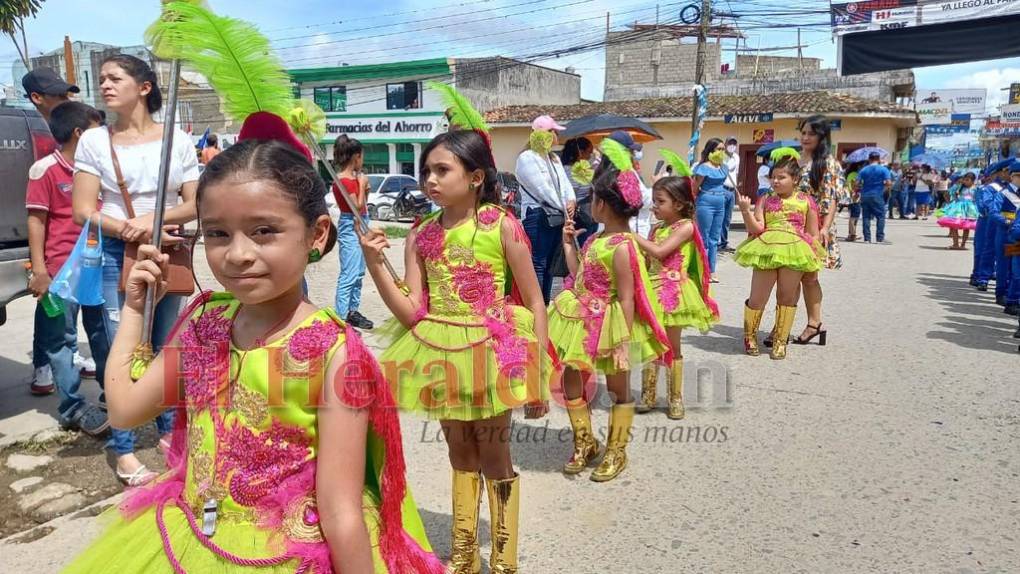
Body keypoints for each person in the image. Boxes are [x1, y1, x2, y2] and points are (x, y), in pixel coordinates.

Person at [63, 136, 444, 574]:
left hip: (285, 554)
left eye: (264, 231)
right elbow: (127, 410)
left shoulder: (335, 354)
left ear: (316, 234)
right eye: (218, 234)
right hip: (187, 535)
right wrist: (133, 309)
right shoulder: (204, 323)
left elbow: (340, 511)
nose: (239, 254)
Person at [361, 125, 551, 572]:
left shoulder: (503, 226)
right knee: (458, 452)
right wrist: (374, 265)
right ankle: (464, 555)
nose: (429, 179)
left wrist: (539, 371)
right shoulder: (421, 233)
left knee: (494, 453)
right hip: (440, 349)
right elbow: (411, 310)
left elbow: (536, 300)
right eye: (426, 170)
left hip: (492, 350)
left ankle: (504, 559)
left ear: (476, 177)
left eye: (442, 170)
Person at [72, 54, 199, 486]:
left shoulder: (176, 141)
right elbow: (82, 209)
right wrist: (130, 228)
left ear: (144, 87)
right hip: (113, 252)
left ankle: (168, 433)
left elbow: (195, 202)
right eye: (102, 79)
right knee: (119, 349)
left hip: (167, 250)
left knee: (164, 348)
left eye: (115, 78)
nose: (104, 85)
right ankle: (123, 447)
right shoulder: (94, 141)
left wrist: (154, 222)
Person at [549, 137, 672, 483]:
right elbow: (578, 275)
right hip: (581, 319)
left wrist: (622, 340)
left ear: (603, 204)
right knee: (571, 377)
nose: (590, 204)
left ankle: (617, 450)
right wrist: (568, 243)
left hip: (612, 323)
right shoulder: (595, 240)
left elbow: (629, 297)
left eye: (592, 199)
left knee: (619, 388)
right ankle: (584, 441)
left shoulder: (623, 247)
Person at [25, 101, 109, 435]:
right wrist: (40, 271)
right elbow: (36, 222)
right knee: (61, 341)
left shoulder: (99, 171)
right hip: (60, 274)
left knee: (104, 334)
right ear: (78, 133)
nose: (103, 135)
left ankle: (111, 395)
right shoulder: (45, 170)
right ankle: (72, 406)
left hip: (98, 268)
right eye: (96, 128)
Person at [22, 68, 94, 394]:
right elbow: (37, 217)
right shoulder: (41, 146)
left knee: (76, 321)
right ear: (37, 99)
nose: (66, 99)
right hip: (58, 257)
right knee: (54, 320)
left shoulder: (87, 154)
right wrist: (39, 268)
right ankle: (48, 372)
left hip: (88, 256)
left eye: (67, 94)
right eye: (58, 95)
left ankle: (68, 359)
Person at [634, 161, 719, 419]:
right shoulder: (656, 228)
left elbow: (660, 252)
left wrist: (629, 236)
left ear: (679, 204)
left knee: (672, 344)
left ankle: (675, 397)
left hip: (674, 293)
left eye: (660, 202)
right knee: (651, 341)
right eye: (654, 201)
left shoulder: (686, 227)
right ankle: (648, 393)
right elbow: (650, 260)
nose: (654, 206)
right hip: (653, 288)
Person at [734, 149, 824, 360]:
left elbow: (813, 233)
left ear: (796, 179)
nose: (775, 181)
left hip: (795, 251)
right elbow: (756, 228)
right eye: (772, 177)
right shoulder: (765, 199)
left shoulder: (806, 201)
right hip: (767, 248)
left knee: (786, 296)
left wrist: (811, 257)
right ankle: (750, 337)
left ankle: (780, 341)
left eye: (781, 177)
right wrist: (746, 211)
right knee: (758, 297)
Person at [789, 115, 844, 346]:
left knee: (809, 278)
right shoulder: (794, 159)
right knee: (788, 278)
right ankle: (782, 325)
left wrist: (824, 227)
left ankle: (814, 324)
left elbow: (831, 199)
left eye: (811, 133)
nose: (805, 137)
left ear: (822, 137)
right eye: (803, 132)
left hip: (814, 226)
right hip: (790, 225)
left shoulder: (829, 163)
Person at [515, 114, 576, 303]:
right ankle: (537, 304)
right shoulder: (527, 158)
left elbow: (564, 184)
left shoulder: (553, 159)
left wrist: (571, 201)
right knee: (538, 263)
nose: (556, 136)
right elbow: (542, 190)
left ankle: (545, 303)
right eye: (552, 132)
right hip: (538, 216)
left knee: (550, 265)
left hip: (555, 215)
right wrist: (563, 206)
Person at [330, 135, 373, 330]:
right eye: (362, 156)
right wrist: (362, 186)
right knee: (350, 273)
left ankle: (352, 311)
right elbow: (355, 205)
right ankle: (340, 318)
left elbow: (363, 205)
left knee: (359, 272)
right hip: (351, 224)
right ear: (356, 157)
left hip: (362, 222)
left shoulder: (353, 179)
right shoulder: (344, 181)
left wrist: (365, 189)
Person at [693, 138, 730, 283]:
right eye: (719, 149)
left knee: (715, 238)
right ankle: (702, 268)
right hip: (705, 202)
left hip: (720, 202)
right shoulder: (703, 168)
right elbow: (695, 187)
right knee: (704, 237)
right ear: (711, 150)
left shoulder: (723, 167)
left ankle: (712, 270)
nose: (722, 152)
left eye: (723, 149)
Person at [605, 130, 653, 238]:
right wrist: (657, 185)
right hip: (633, 227)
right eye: (630, 150)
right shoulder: (626, 172)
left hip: (614, 227)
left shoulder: (604, 170)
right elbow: (641, 200)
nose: (633, 153)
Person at [973, 160, 1011, 291]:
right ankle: (982, 277)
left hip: (1009, 225)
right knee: (988, 249)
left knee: (1008, 252)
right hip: (992, 221)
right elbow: (986, 206)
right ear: (999, 173)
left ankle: (1005, 283)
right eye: (1007, 171)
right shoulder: (992, 188)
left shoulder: (1012, 188)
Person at [993, 162, 1020, 313]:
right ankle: (1001, 293)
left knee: (1015, 269)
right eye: (1018, 177)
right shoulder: (1003, 193)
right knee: (1003, 264)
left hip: (1017, 236)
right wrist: (1006, 221)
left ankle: (1012, 297)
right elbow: (993, 212)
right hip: (1006, 232)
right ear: (1012, 177)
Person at [562, 137, 598, 246]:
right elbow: (571, 194)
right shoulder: (569, 171)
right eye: (589, 153)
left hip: (589, 215)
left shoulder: (583, 169)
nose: (590, 157)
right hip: (580, 216)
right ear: (580, 152)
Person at [937, 170, 979, 250]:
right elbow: (947, 193)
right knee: (954, 225)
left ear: (973, 181)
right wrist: (950, 202)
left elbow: (978, 198)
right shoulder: (959, 187)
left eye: (967, 180)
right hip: (958, 208)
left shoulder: (976, 189)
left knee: (966, 227)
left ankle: (963, 244)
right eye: (964, 179)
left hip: (970, 209)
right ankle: (955, 244)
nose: (965, 182)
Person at [857, 152, 892, 244]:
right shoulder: (884, 170)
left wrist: (861, 187)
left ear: (869, 159)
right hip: (877, 194)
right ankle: (880, 238)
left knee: (866, 217)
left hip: (865, 195)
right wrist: (883, 187)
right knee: (881, 216)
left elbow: (857, 183)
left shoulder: (863, 170)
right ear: (879, 159)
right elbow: (888, 183)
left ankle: (867, 238)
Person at [719, 137, 740, 253]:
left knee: (727, 219)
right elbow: (725, 169)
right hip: (722, 189)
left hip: (732, 190)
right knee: (719, 217)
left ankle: (723, 242)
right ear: (725, 144)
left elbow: (735, 172)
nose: (732, 145)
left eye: (734, 143)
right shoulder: (721, 156)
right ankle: (717, 242)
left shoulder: (736, 157)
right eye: (730, 143)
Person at [844, 161, 863, 242]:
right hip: (855, 197)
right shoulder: (855, 175)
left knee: (853, 215)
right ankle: (853, 234)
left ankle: (851, 233)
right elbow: (855, 185)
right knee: (854, 217)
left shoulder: (849, 174)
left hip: (850, 197)